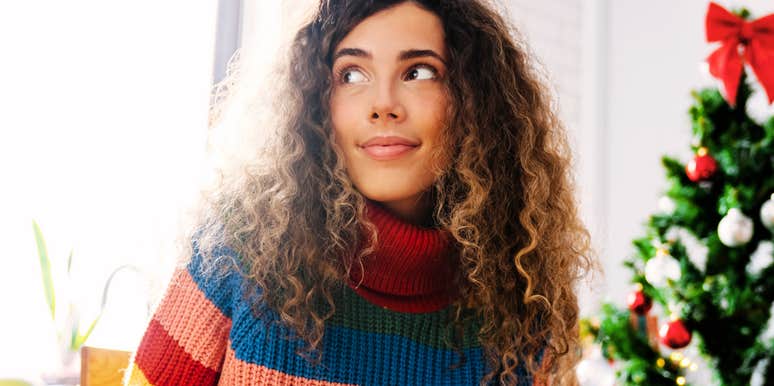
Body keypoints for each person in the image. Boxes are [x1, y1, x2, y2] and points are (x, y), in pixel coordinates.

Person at [123, 0, 595, 385]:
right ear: (314, 103)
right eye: (351, 75)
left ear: (476, 102)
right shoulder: (235, 252)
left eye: (419, 72)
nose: (383, 105)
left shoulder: (519, 310)